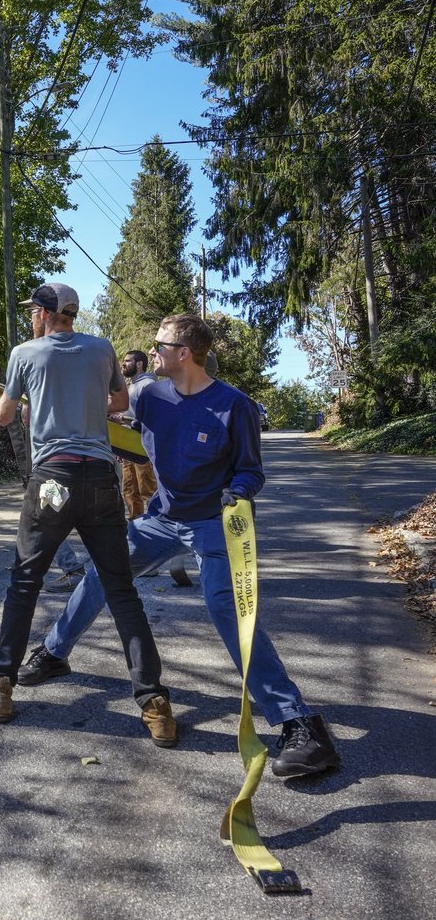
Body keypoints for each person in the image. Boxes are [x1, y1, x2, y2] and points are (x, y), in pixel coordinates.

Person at [18, 314, 340, 777]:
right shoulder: (149, 394)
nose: (152, 352)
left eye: (159, 345)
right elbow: (119, 431)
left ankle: (299, 723)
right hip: (161, 520)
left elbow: (252, 470)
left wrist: (240, 490)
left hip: (214, 524)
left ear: (184, 353)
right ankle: (52, 652)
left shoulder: (235, 406)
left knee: (229, 610)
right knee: (102, 572)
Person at [0, 283, 176, 745]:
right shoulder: (103, 350)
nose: (30, 318)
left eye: (33, 311)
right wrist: (83, 404)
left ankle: (1, 687)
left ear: (45, 314)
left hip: (52, 480)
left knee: (25, 582)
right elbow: (119, 403)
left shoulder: (25, 353)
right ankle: (155, 704)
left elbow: (4, 416)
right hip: (100, 477)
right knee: (121, 589)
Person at [111, 349, 158, 519]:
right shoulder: (131, 386)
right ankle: (136, 526)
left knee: (148, 490)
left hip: (143, 448)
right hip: (128, 448)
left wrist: (123, 419)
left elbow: (151, 418)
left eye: (127, 361)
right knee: (130, 491)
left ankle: (159, 524)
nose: (123, 364)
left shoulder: (147, 385)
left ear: (139, 364)